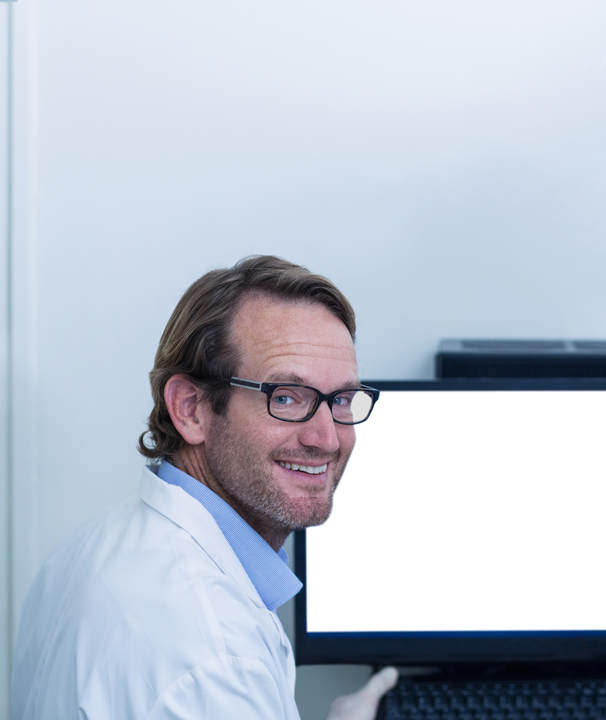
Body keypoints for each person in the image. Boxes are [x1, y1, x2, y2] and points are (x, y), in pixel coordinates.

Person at [13, 255, 398, 719]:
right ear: (191, 408)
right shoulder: (212, 656)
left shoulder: (91, 544)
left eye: (341, 400)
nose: (327, 438)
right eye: (286, 397)